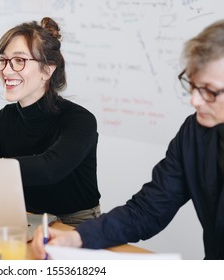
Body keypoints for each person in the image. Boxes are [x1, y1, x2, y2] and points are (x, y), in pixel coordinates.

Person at [32, 19, 224, 260]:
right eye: (193, 85)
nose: (194, 100)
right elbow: (148, 210)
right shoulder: (195, 133)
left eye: (209, 91)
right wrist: (77, 237)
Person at [0, 17, 101, 226]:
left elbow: (49, 169)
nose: (6, 71)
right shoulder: (6, 118)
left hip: (74, 223)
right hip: (23, 217)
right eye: (3, 60)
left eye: (19, 61)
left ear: (47, 70)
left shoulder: (80, 120)